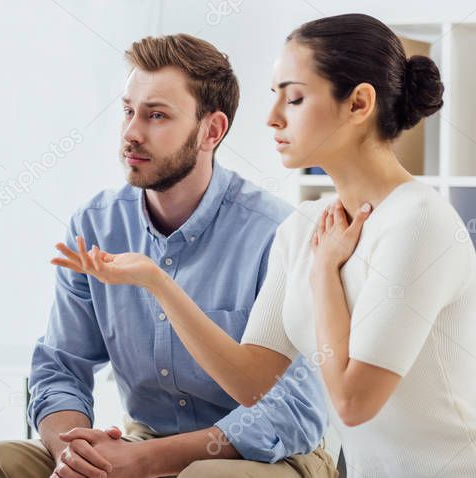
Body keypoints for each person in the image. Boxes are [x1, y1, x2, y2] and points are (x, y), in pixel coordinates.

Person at [57, 14, 476, 477]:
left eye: (294, 97)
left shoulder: (418, 222)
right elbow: (253, 383)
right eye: (275, 94)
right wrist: (158, 282)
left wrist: (323, 277)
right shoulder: (307, 226)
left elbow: (355, 401)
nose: (272, 117)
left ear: (358, 104)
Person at [0, 34, 335, 478]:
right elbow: (61, 367)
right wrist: (77, 459)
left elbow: (293, 412)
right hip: (139, 442)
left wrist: (143, 461)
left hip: (262, 458)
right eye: (128, 111)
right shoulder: (96, 225)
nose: (131, 133)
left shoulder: (275, 234)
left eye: (156, 116)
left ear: (210, 131)